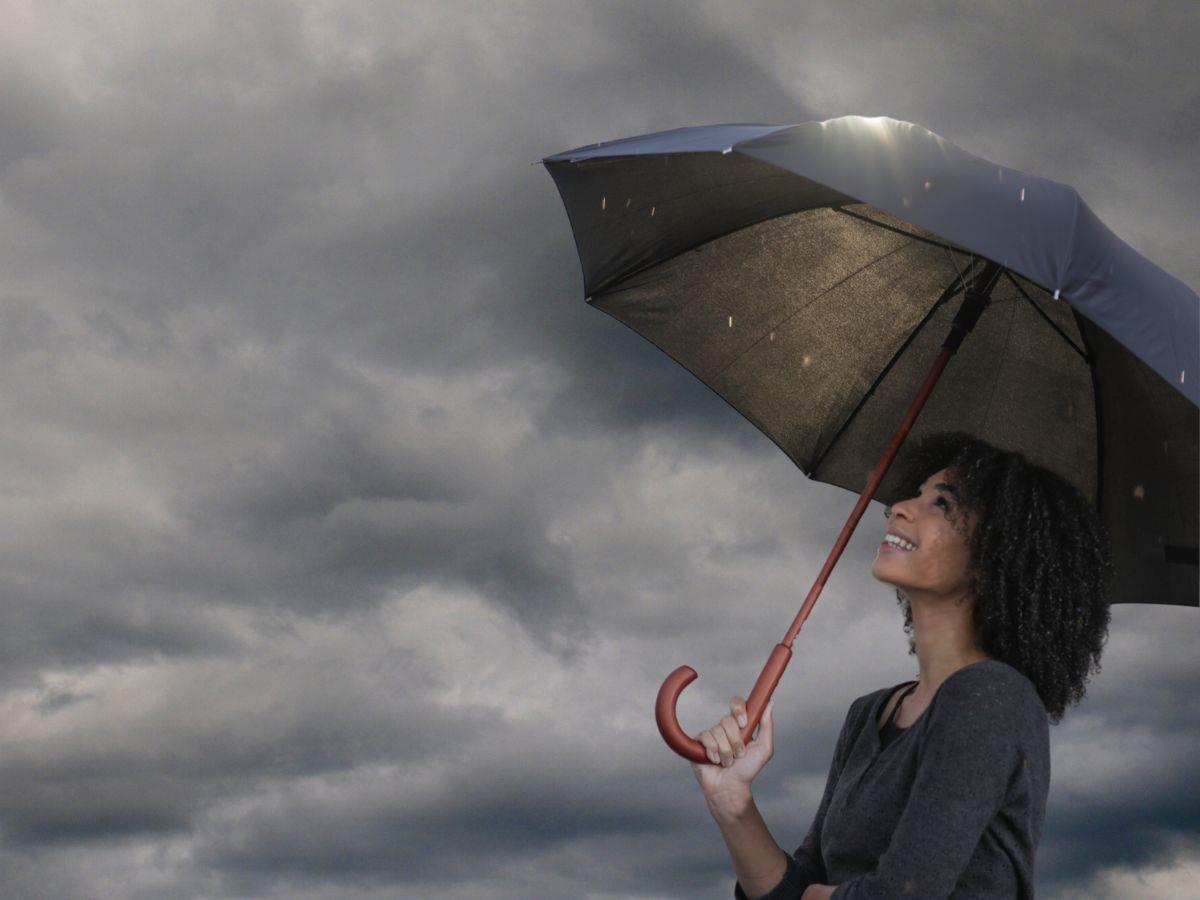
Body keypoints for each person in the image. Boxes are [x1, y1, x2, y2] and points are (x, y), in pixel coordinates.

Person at [691, 430, 1114, 899]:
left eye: (943, 504)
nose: (900, 507)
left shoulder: (993, 697)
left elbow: (903, 894)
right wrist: (731, 802)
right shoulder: (868, 715)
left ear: (996, 557)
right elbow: (797, 888)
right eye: (915, 494)